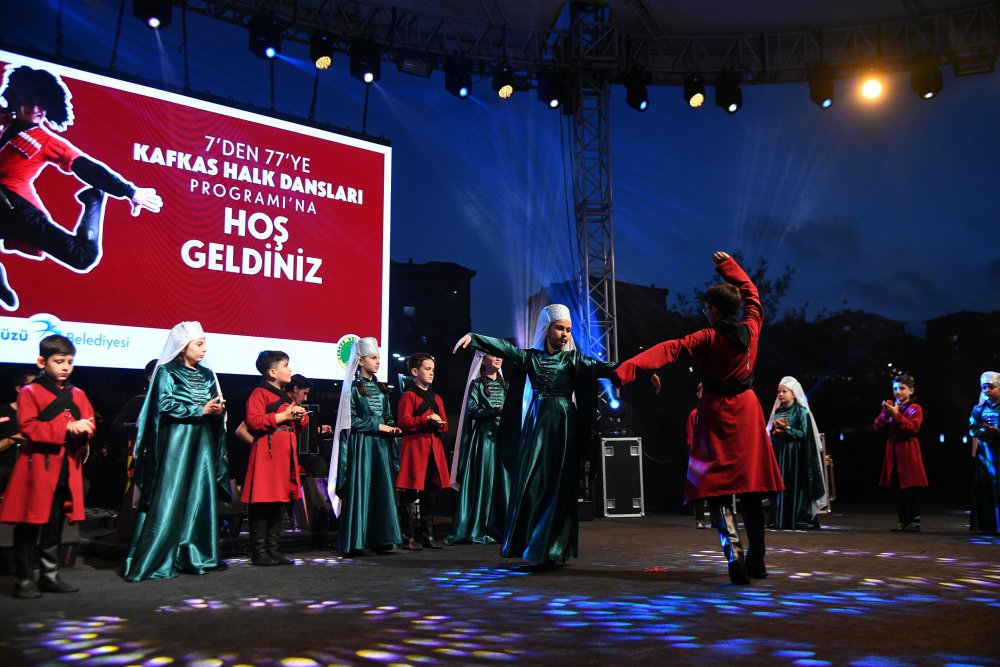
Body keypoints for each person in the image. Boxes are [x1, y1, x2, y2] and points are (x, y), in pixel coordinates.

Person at [611, 251, 783, 585]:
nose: (705, 311)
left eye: (707, 307)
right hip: (747, 410)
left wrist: (626, 370)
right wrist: (729, 267)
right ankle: (758, 560)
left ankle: (735, 555)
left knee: (718, 489)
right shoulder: (752, 327)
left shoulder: (708, 338)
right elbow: (752, 294)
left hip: (717, 412)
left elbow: (669, 349)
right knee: (751, 488)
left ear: (714, 309)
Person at [454, 303, 617, 567]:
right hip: (538, 423)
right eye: (559, 328)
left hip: (564, 425)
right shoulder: (531, 357)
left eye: (568, 330)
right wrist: (474, 338)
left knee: (560, 484)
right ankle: (533, 545)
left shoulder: (574, 360)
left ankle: (554, 548)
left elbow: (609, 368)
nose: (564, 334)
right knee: (533, 481)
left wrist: (643, 371)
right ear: (547, 329)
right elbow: (505, 348)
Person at [0, 65, 162, 312]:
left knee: (82, 257)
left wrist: (130, 191)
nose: (36, 109)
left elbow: (87, 167)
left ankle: (94, 199)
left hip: (15, 208)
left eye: (42, 104)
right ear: (17, 98)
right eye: (30, 101)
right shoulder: (5, 121)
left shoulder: (47, 142)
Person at [122, 321, 230, 581]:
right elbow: (164, 403)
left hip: (201, 442)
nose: (204, 349)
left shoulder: (207, 374)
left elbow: (214, 403)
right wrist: (198, 410)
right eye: (199, 344)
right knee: (170, 493)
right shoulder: (166, 372)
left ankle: (195, 553)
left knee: (198, 493)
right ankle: (159, 555)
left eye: (204, 344)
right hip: (176, 442)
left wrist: (217, 410)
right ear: (183, 345)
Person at [0, 335, 94, 598]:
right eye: (59, 361)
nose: (65, 367)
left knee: (54, 522)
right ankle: (24, 579)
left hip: (66, 465)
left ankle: (50, 576)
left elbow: (88, 420)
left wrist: (85, 429)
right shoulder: (30, 392)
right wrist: (67, 427)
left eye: (70, 362)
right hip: (38, 466)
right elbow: (29, 427)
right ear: (42, 362)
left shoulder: (78, 394)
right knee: (30, 522)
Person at [327, 337, 402, 556]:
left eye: (378, 357)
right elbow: (350, 421)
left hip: (381, 446)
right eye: (373, 357)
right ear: (360, 361)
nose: (378, 361)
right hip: (363, 447)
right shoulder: (351, 389)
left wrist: (391, 427)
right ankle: (359, 540)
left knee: (380, 489)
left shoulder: (381, 389)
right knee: (364, 488)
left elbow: (387, 416)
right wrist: (379, 426)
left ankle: (381, 539)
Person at [241, 351, 307, 566]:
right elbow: (254, 420)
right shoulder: (259, 393)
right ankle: (259, 553)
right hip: (267, 453)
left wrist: (299, 416)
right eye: (285, 365)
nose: (290, 369)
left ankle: (273, 550)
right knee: (263, 502)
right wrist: (284, 415)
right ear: (272, 372)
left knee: (279, 501)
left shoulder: (287, 396)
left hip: (284, 453)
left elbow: (298, 425)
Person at [446, 353, 510, 545]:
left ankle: (503, 526)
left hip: (502, 438)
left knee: (503, 481)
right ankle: (480, 526)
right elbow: (473, 412)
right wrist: (496, 411)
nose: (498, 358)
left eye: (500, 356)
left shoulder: (506, 385)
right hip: (484, 439)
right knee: (485, 479)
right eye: (493, 355)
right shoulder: (477, 385)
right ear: (483, 360)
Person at [397, 353, 450, 550]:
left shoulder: (437, 398)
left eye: (433, 370)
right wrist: (425, 419)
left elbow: (445, 425)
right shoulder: (409, 396)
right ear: (414, 372)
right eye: (427, 369)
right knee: (410, 493)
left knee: (430, 493)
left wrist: (440, 423)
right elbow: (404, 422)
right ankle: (408, 537)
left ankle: (428, 536)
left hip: (433, 449)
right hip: (415, 448)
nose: (431, 373)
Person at [766, 376, 828, 530]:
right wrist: (776, 433)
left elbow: (805, 435)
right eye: (779, 392)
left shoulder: (802, 412)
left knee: (795, 484)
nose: (780, 394)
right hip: (781, 455)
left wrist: (786, 429)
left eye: (784, 391)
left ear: (793, 393)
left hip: (796, 457)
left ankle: (798, 517)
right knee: (781, 484)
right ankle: (780, 518)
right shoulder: (778, 412)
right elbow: (772, 434)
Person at [873, 373, 927, 533]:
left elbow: (912, 428)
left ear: (911, 390)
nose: (898, 392)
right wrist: (885, 413)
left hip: (908, 452)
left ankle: (914, 521)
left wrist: (896, 415)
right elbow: (876, 427)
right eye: (895, 388)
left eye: (902, 388)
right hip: (893, 453)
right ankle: (902, 520)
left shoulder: (915, 408)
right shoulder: (891, 407)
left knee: (911, 487)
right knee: (897, 486)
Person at [968, 371, 999, 534]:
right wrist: (983, 430)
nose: (987, 390)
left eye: (991, 387)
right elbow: (972, 429)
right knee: (987, 487)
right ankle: (989, 525)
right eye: (984, 387)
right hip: (986, 455)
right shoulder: (978, 409)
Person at [685, 382, 711, 529]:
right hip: (699, 455)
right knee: (699, 488)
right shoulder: (694, 414)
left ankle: (716, 519)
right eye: (703, 391)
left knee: (715, 488)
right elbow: (690, 438)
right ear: (699, 394)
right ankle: (700, 519)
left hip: (713, 454)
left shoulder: (715, 412)